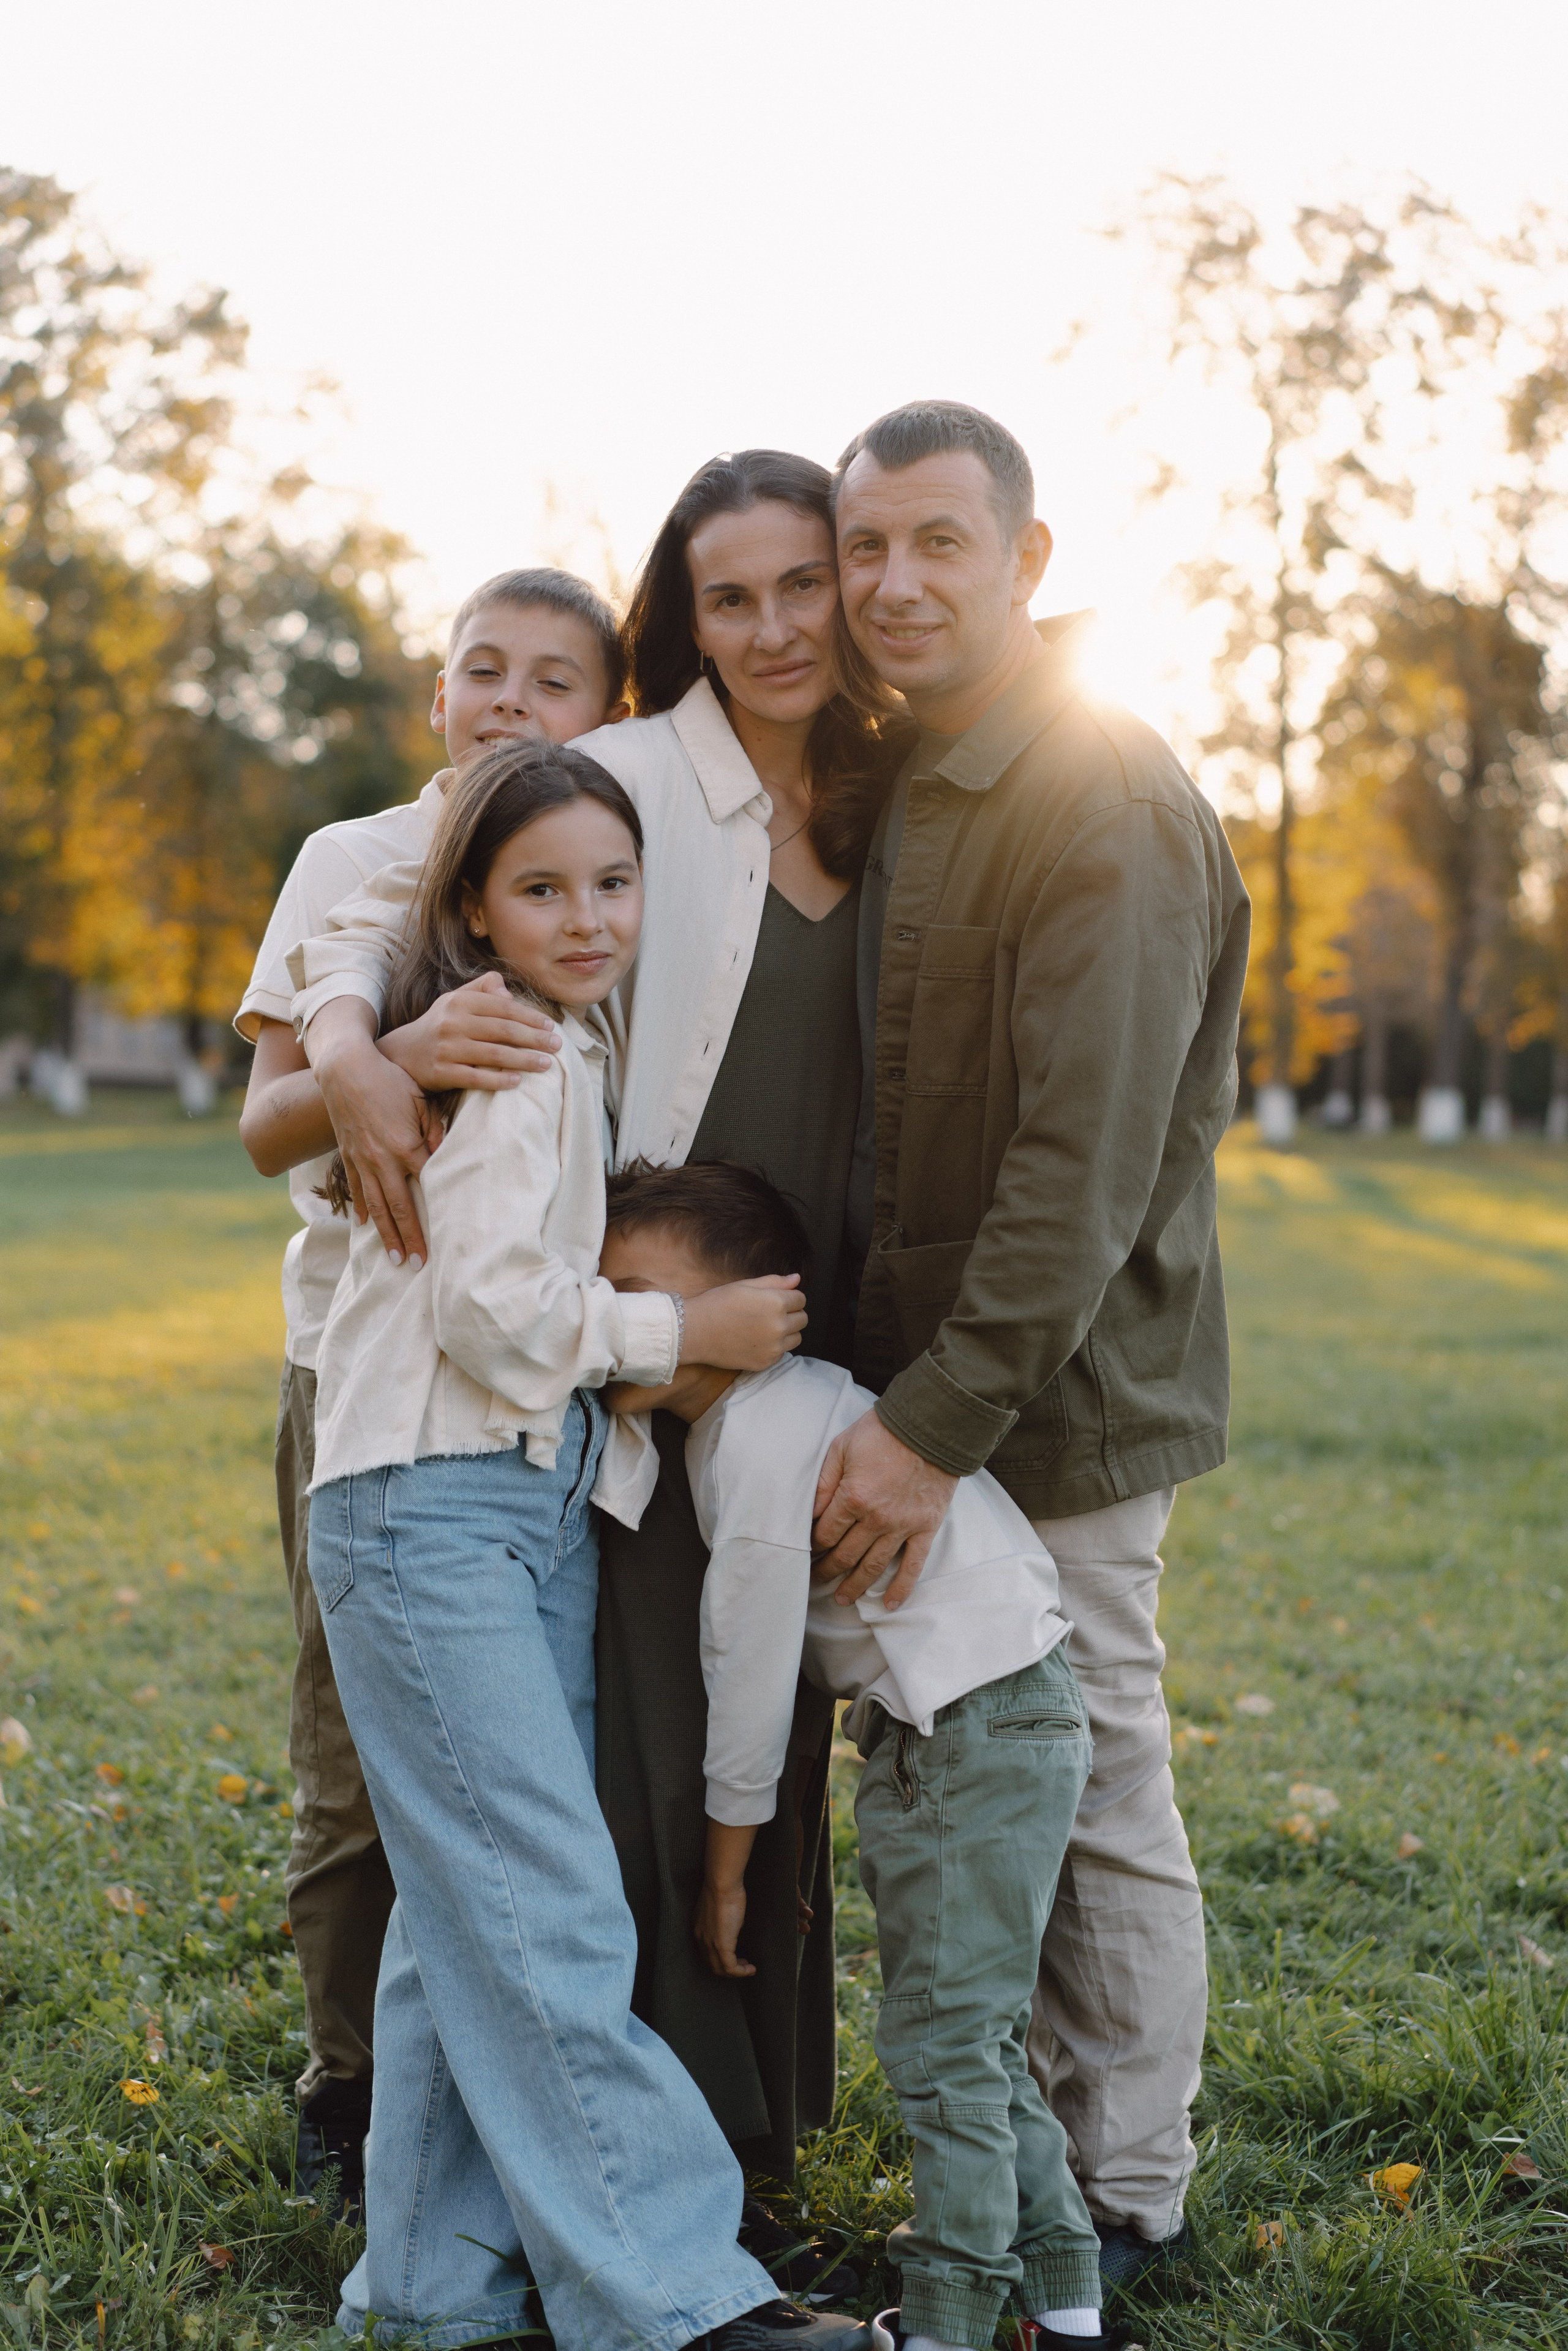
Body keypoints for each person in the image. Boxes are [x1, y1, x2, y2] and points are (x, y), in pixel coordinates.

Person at [290, 450, 910, 2205]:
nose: (778, 624)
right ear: (680, 619)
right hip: (600, 1331)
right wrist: (355, 1049)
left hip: (788, 1310)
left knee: (762, 1693)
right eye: (731, 594)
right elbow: (382, 895)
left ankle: (737, 2133)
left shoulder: (891, 788)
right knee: (591, 1768)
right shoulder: (623, 781)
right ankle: (650, 2193)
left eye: (810, 584)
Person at [812, 402, 1251, 2292]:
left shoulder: (1105, 795)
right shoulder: (912, 779)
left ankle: (1130, 2182)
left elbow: (1079, 1167)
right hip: (928, 1387)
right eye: (866, 549)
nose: (895, 583)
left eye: (939, 544)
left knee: (1100, 1786)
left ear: (1030, 561)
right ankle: (1028, 2148)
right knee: (978, 1778)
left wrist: (936, 1424)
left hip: (1056, 1398)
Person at [235, 565, 627, 2205]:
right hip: (362, 1373)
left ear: (602, 711)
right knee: (356, 1764)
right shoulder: (359, 860)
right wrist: (378, 1058)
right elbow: (265, 1127)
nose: (511, 700)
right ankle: (355, 2083)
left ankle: (488, 2104)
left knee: (518, 1765)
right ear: (438, 690)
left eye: (554, 677)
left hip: (536, 1385)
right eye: (484, 668)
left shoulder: (600, 865)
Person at [597, 1158, 1125, 2351]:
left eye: (645, 1295)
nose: (624, 1328)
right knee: (973, 2038)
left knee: (943, 2044)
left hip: (971, 1728)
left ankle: (942, 2319)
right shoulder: (781, 1411)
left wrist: (727, 1867)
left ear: (757, 1310)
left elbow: (747, 1672)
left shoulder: (763, 1436)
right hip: (973, 1722)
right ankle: (1067, 2307)